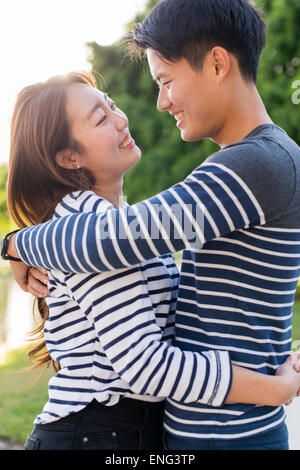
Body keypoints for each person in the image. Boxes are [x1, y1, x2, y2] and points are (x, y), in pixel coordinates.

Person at [3, 0, 300, 450]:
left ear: (217, 63)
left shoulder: (253, 166)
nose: (161, 102)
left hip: (228, 437)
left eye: (166, 81)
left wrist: (18, 243)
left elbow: (110, 242)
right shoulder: (250, 165)